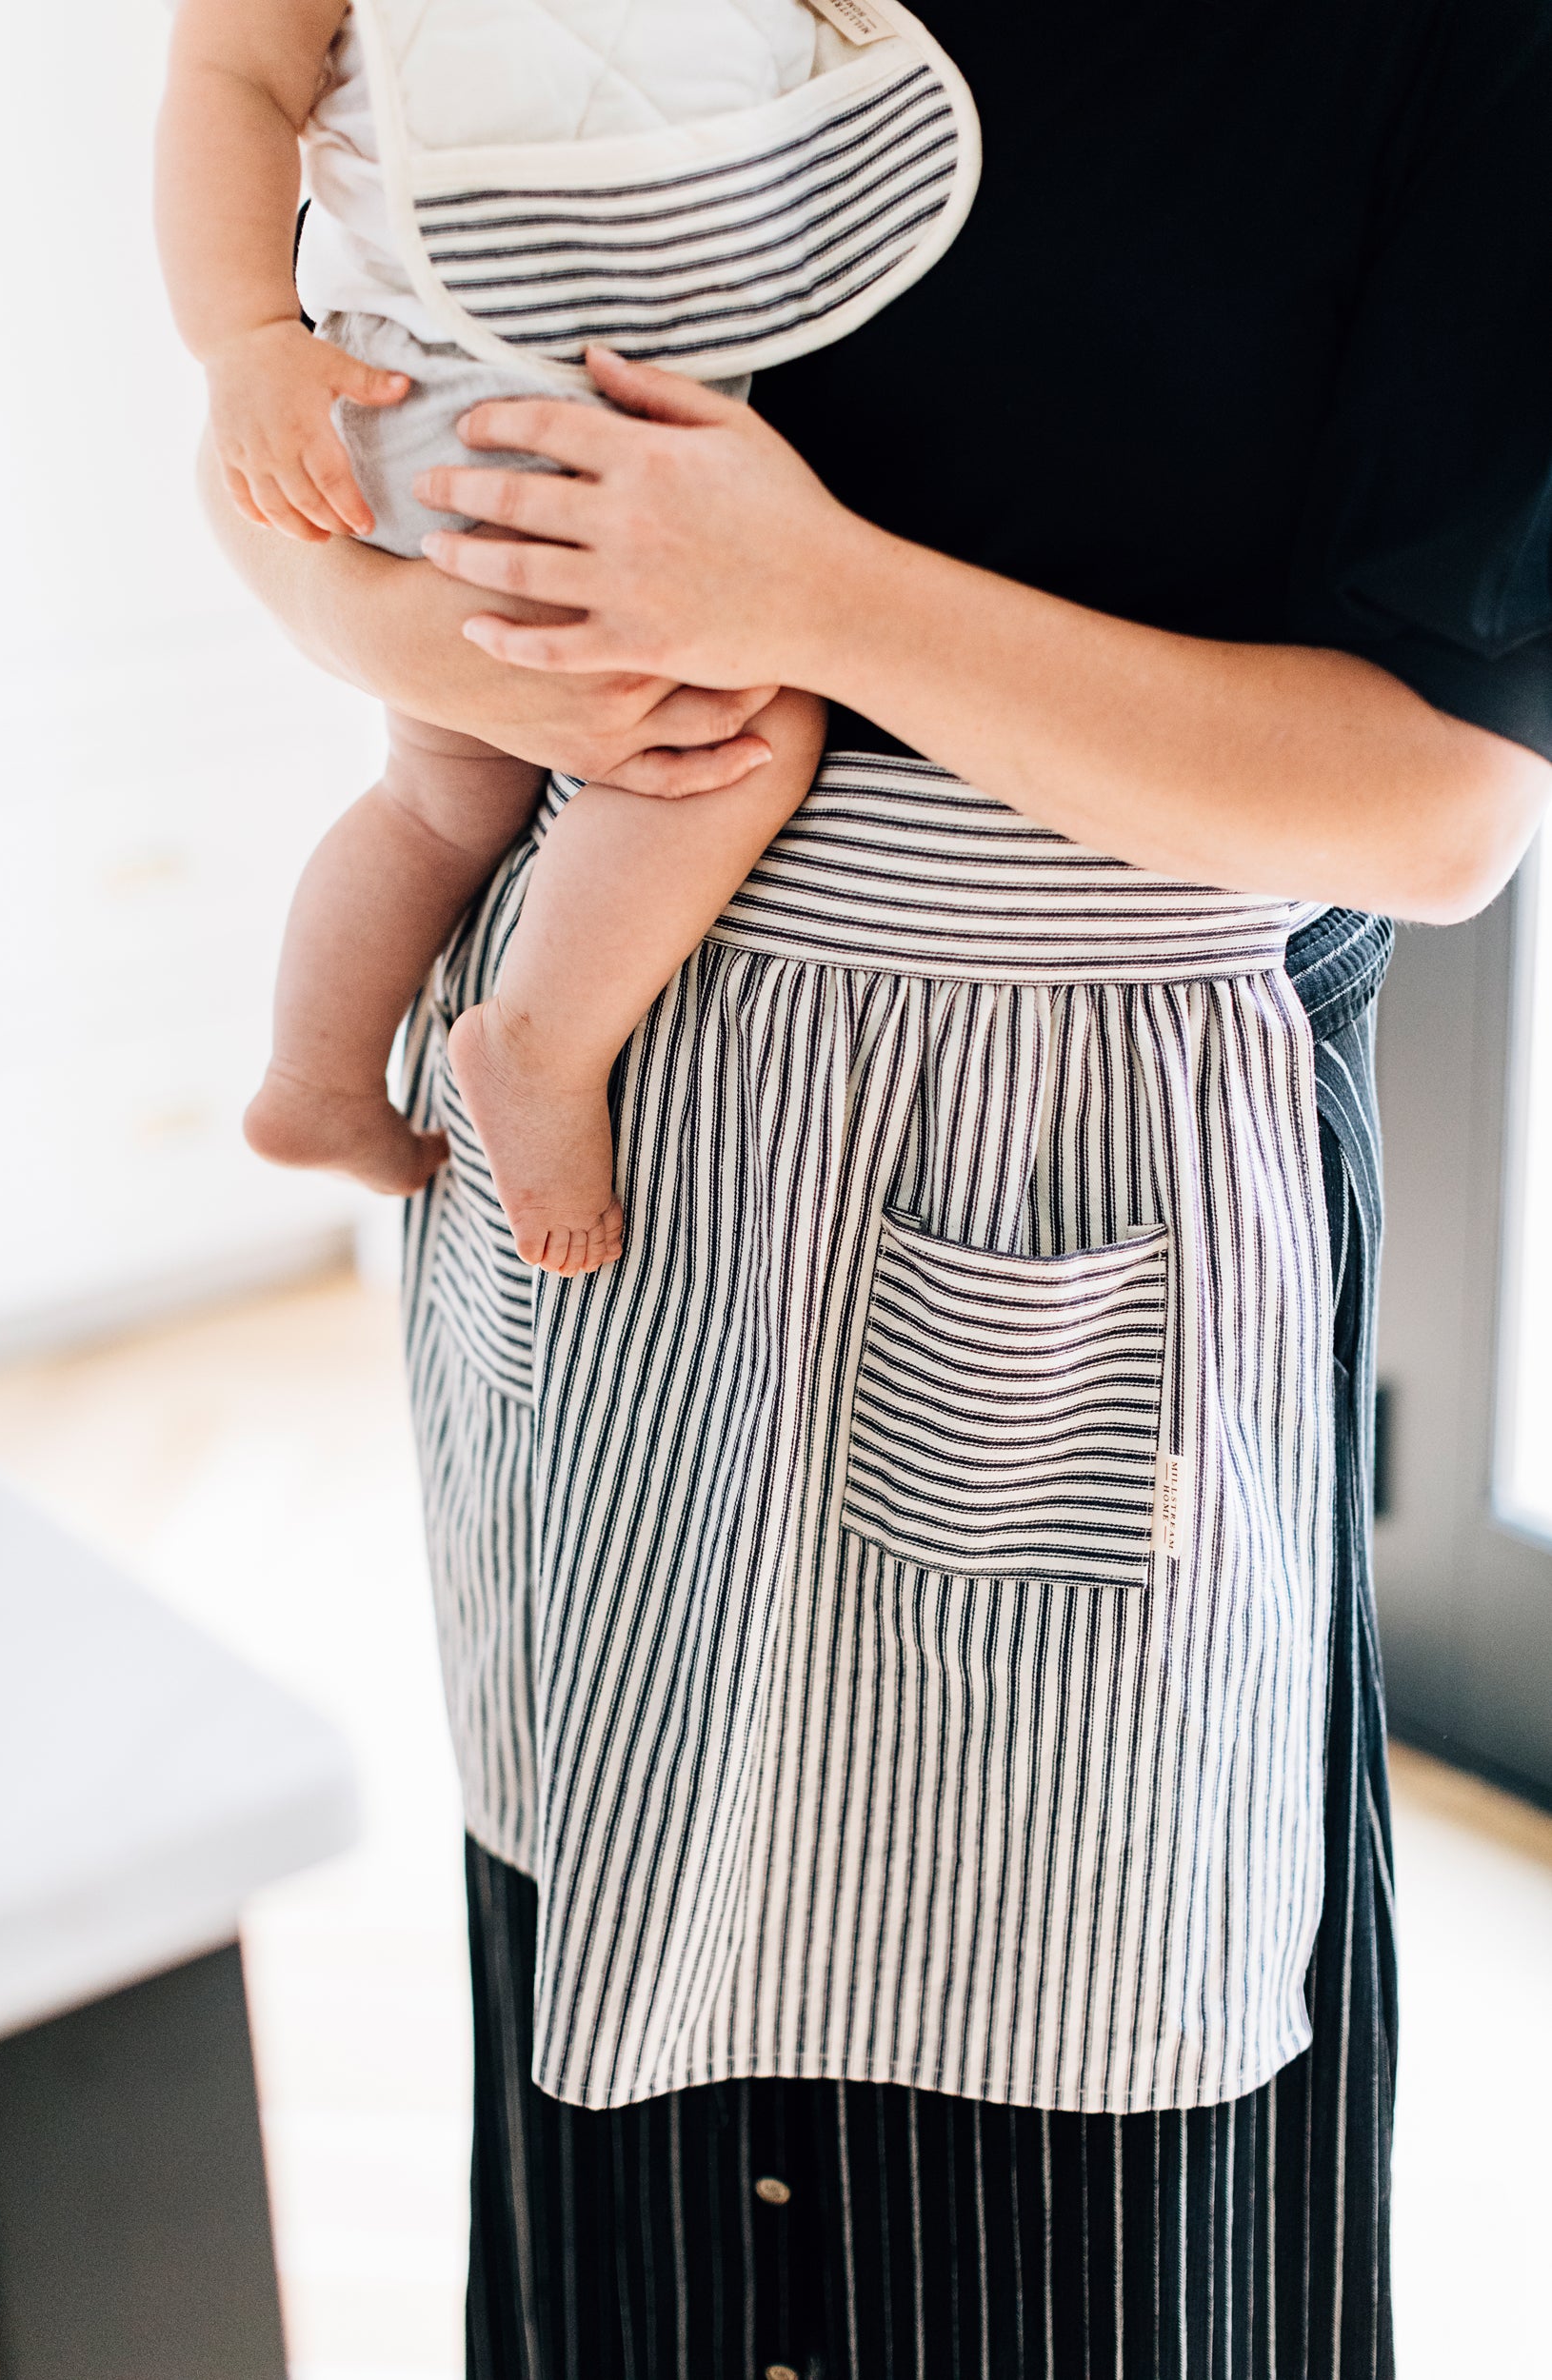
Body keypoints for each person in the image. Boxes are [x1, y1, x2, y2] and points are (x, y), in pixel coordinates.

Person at [199, 0, 1552, 2368]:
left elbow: (1436, 807)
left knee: (1077, 2175)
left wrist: (808, 599)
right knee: (621, 2045)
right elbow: (326, 388)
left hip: (1081, 1208)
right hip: (599, 1185)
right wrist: (377, 613)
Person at [155, 0, 831, 1271]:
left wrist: (250, 343)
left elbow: (228, 76)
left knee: (436, 795)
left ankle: (319, 1078)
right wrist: (239, 340)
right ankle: (538, 1041)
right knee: (752, 722)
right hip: (513, 418)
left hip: (414, 413)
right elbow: (227, 76)